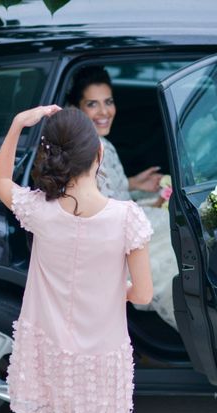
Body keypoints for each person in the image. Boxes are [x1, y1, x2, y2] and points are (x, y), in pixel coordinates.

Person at [0, 106, 153, 413]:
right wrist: (118, 292)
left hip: (52, 351)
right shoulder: (127, 218)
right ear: (98, 154)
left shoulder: (39, 210)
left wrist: (17, 123)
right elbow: (143, 294)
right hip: (100, 356)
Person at [67, 66, 179, 330]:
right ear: (76, 109)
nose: (104, 112)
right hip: (113, 246)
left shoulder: (101, 143)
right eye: (92, 104)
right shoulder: (86, 152)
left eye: (108, 102)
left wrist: (134, 185)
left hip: (123, 227)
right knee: (179, 260)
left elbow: (110, 193)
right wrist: (152, 203)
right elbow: (103, 212)